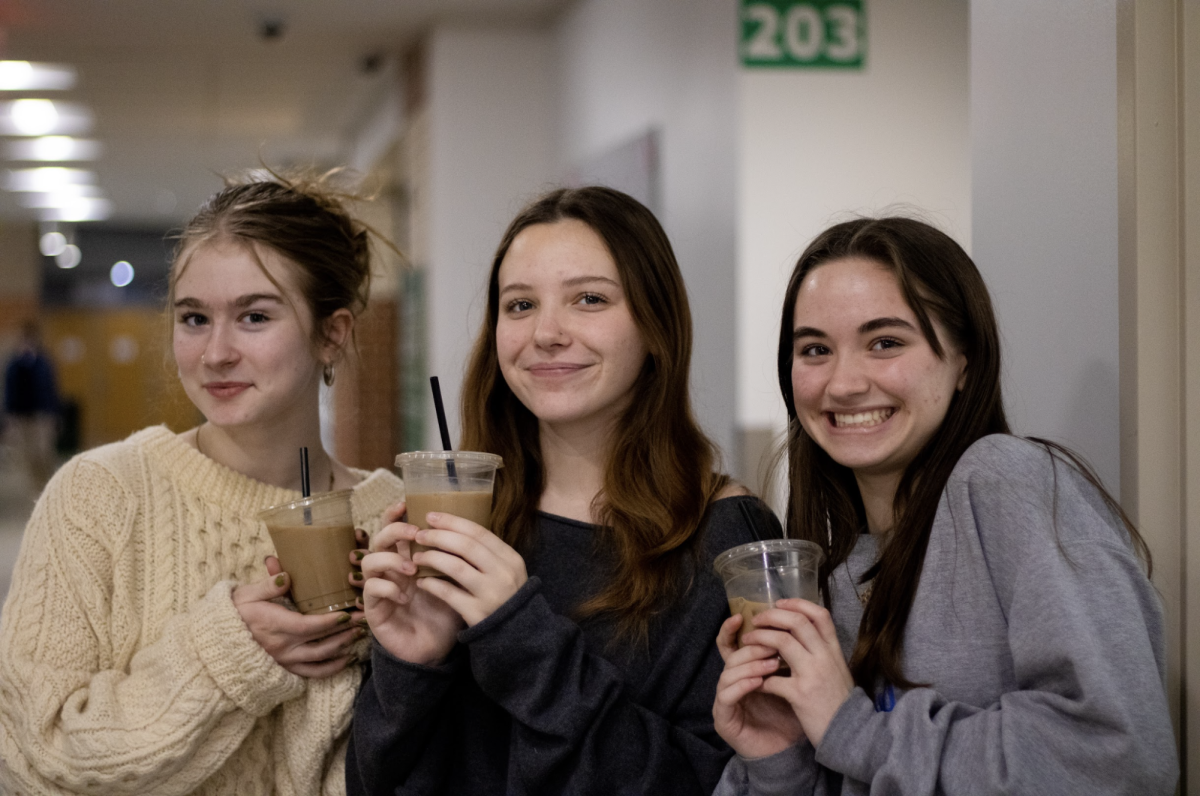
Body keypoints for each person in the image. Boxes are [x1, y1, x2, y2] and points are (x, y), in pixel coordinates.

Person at [711, 216, 1179, 795]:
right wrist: (780, 758)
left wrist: (853, 728)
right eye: (814, 349)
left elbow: (1119, 759)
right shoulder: (832, 570)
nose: (842, 383)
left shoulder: (1003, 478)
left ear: (965, 361)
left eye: (885, 342)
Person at [347, 186, 780, 795]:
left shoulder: (727, 537)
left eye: (589, 299)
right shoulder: (463, 527)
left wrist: (521, 639)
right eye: (520, 305)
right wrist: (409, 667)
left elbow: (715, 783)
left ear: (656, 325)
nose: (546, 332)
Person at [0, 173, 405, 795]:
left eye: (254, 316)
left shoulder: (396, 521)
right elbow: (35, 758)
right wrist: (228, 654)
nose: (216, 352)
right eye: (194, 318)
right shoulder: (99, 494)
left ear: (333, 334)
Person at [4, 320, 62, 491]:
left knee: (43, 452)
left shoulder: (43, 362)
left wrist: (55, 413)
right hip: (22, 416)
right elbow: (9, 389)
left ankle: (49, 484)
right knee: (28, 455)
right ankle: (36, 488)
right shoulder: (14, 363)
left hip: (42, 414)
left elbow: (51, 388)